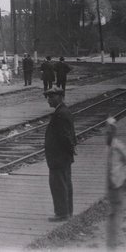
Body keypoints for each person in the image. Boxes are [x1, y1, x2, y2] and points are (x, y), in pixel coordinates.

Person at [44, 87, 77, 222]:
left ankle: (62, 213)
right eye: (48, 97)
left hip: (59, 157)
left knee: (58, 185)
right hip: (62, 157)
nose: (48, 100)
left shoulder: (61, 114)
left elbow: (65, 137)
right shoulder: (63, 111)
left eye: (51, 97)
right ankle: (67, 212)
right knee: (65, 183)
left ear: (59, 97)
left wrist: (67, 151)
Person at [105, 117, 126, 250]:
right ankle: (111, 242)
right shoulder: (108, 147)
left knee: (115, 214)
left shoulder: (118, 146)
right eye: (106, 132)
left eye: (110, 131)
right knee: (112, 213)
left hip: (117, 184)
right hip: (110, 185)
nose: (108, 134)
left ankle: (113, 244)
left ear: (114, 132)